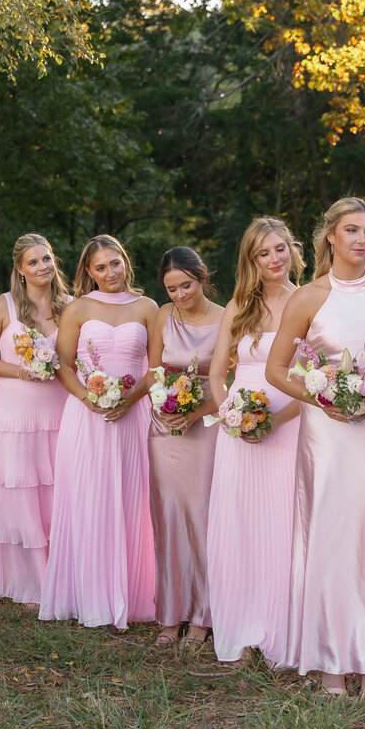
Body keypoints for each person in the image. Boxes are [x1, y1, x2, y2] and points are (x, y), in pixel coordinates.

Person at [265, 197, 365, 696]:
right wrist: (323, 397)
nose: (361, 240)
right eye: (351, 230)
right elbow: (276, 370)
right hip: (325, 431)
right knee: (329, 532)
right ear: (330, 236)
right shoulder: (308, 297)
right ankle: (330, 657)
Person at [39, 234, 159, 629]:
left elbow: (155, 368)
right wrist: (89, 399)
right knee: (88, 496)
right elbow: (64, 364)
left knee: (130, 496)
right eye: (101, 267)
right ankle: (87, 594)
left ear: (126, 262)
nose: (110, 273)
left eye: (116, 263)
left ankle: (133, 593)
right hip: (86, 417)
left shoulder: (147, 306)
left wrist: (130, 399)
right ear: (88, 272)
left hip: (133, 414)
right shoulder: (78, 308)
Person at [206, 217, 304, 666]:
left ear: (292, 250)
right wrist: (231, 414)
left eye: (279, 249)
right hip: (239, 433)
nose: (273, 260)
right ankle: (244, 629)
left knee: (283, 524)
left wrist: (276, 419)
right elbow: (215, 374)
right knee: (242, 523)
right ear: (251, 260)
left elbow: (317, 378)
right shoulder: (238, 305)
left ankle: (285, 631)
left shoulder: (310, 302)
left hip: (292, 423)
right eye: (263, 253)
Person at [0, 233, 70, 606]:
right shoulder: (4, 306)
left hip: (62, 409)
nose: (42, 267)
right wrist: (21, 371)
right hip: (17, 411)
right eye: (33, 262)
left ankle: (63, 572)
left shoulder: (72, 306)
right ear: (20, 268)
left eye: (46, 259)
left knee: (59, 488)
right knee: (23, 491)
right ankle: (28, 578)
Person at [147, 246, 224, 648]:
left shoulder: (226, 318)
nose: (179, 295)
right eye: (172, 288)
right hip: (164, 429)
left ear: (202, 277)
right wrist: (162, 401)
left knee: (201, 516)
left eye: (186, 285)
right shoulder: (164, 314)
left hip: (206, 427)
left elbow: (227, 383)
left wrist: (197, 412)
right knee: (169, 516)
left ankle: (202, 616)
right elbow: (155, 370)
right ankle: (170, 613)